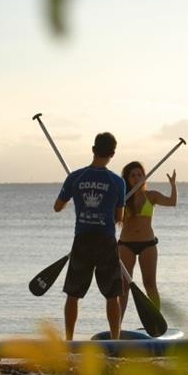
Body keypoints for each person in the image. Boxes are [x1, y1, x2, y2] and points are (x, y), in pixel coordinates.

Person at [54, 132, 126, 340]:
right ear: (112, 153)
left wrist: (75, 196)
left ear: (93, 149)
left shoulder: (75, 177)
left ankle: (69, 340)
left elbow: (58, 207)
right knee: (112, 295)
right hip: (106, 241)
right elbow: (119, 217)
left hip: (82, 240)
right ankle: (115, 341)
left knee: (73, 294)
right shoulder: (117, 182)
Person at [118, 161, 177, 315]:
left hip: (148, 244)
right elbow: (113, 219)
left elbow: (172, 202)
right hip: (126, 245)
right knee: (123, 286)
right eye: (132, 175)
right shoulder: (122, 198)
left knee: (150, 284)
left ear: (144, 177)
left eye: (139, 175)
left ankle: (157, 322)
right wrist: (118, 203)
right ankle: (117, 327)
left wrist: (173, 185)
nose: (136, 178)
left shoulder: (151, 196)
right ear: (127, 179)